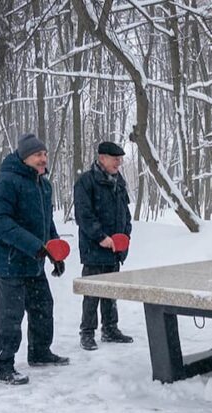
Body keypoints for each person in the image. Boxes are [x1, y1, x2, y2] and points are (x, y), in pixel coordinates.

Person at [0, 133, 70, 385]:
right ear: (24, 157)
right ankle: (2, 364)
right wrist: (36, 246)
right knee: (11, 316)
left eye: (44, 154)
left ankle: (39, 352)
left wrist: (55, 252)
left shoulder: (43, 184)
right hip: (10, 262)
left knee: (43, 307)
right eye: (38, 155)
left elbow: (47, 222)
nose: (43, 159)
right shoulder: (5, 182)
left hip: (35, 261)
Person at [74, 141, 134, 351]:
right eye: (114, 158)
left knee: (111, 291)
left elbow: (125, 214)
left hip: (115, 249)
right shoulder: (86, 181)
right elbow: (83, 215)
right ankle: (87, 333)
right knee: (92, 292)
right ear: (102, 158)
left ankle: (110, 328)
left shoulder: (120, 182)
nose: (119, 162)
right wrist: (100, 237)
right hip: (94, 249)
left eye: (120, 159)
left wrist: (125, 236)